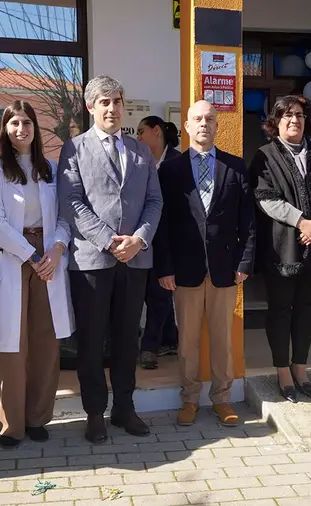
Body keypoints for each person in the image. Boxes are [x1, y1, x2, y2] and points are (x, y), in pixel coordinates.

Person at [57, 75, 163, 444]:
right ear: (91, 107)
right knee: (91, 340)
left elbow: (154, 201)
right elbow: (72, 202)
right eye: (104, 102)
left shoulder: (140, 150)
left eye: (117, 101)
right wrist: (108, 241)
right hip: (92, 262)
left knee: (126, 338)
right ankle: (94, 413)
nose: (112, 108)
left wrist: (138, 239)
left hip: (134, 260)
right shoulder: (73, 149)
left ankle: (124, 408)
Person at [0, 101, 75, 448]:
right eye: (14, 123)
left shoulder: (51, 169)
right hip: (14, 258)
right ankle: (11, 425)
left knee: (45, 343)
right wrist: (32, 255)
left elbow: (65, 218)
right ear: (5, 129)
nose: (22, 129)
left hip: (49, 260)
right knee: (10, 348)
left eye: (27, 122)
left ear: (36, 127)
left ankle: (37, 418)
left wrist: (58, 249)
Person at [154, 100, 255, 426]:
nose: (203, 124)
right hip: (184, 271)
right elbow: (163, 223)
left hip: (225, 269)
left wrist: (245, 261)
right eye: (197, 119)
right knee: (187, 342)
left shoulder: (236, 166)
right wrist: (165, 267)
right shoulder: (170, 170)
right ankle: (189, 399)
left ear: (217, 125)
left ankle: (222, 399)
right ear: (186, 126)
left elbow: (247, 222)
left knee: (222, 341)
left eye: (209, 119)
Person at [251, 95, 311, 403]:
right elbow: (265, 198)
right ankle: (282, 370)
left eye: (300, 115)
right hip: (283, 250)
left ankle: (300, 368)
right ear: (276, 121)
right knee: (280, 311)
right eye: (288, 115)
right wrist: (302, 222)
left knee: (306, 311)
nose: (295, 120)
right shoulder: (264, 155)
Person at [136, 115, 181, 370]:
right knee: (154, 294)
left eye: (142, 132)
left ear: (156, 131)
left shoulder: (177, 162)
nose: (138, 137)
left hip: (169, 241)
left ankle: (149, 348)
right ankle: (169, 338)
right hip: (144, 237)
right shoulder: (139, 162)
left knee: (159, 295)